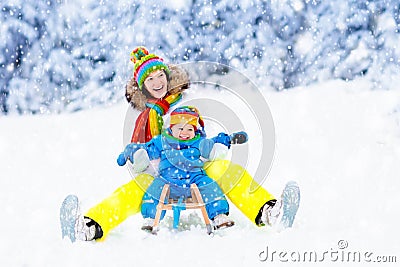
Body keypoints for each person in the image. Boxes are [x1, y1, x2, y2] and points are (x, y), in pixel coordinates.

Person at [75, 47, 281, 241]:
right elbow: (142, 152)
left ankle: (266, 211)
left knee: (226, 170)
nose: (157, 82)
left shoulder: (186, 100)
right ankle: (93, 226)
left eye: (160, 76)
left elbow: (204, 132)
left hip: (197, 165)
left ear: (167, 76)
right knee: (132, 190)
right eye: (150, 79)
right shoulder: (145, 118)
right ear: (143, 86)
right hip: (161, 171)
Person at [117, 106, 249, 231]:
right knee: (154, 189)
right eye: (180, 128)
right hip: (167, 179)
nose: (185, 133)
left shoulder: (199, 142)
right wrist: (130, 152)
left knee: (209, 185)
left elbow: (214, 142)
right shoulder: (161, 141)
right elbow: (146, 148)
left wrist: (229, 139)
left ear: (195, 131)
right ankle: (151, 219)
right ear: (171, 129)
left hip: (195, 178)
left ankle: (219, 216)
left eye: (190, 129)